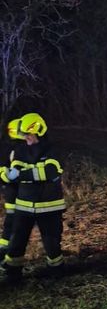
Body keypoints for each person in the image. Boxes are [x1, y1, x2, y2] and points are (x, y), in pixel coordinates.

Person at [0, 113, 66, 282]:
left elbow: (50, 172)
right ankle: (13, 273)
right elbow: (15, 169)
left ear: (39, 131)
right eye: (24, 135)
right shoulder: (21, 150)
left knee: (51, 242)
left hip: (49, 205)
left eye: (29, 135)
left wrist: (22, 175)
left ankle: (56, 270)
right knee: (17, 241)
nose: (27, 138)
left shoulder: (52, 149)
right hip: (24, 205)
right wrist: (8, 175)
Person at [0, 119, 23, 260]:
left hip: (9, 189)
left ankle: (4, 246)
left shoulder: (9, 147)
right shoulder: (17, 149)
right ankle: (8, 249)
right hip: (14, 190)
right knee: (15, 219)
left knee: (10, 218)